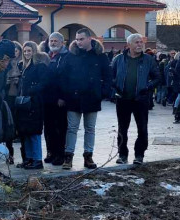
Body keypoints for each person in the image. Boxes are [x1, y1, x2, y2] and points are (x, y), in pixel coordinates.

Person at [58, 28, 111, 170]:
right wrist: (64, 95)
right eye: (77, 39)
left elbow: (107, 76)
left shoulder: (100, 56)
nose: (78, 42)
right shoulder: (70, 56)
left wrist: (102, 93)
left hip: (92, 98)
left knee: (90, 128)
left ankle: (88, 156)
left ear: (89, 39)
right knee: (72, 128)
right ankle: (68, 156)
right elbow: (63, 77)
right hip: (73, 98)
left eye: (81, 39)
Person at [111, 34, 161, 165]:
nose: (140, 44)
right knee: (122, 128)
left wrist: (147, 87)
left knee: (142, 128)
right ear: (128, 45)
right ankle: (122, 155)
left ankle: (139, 154)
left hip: (141, 99)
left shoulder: (148, 60)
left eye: (141, 42)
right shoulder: (118, 59)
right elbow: (110, 77)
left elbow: (157, 77)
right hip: (123, 99)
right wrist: (115, 90)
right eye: (136, 42)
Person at [14, 42, 50, 170]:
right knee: (26, 132)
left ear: (34, 51)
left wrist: (31, 90)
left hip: (34, 104)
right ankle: (28, 158)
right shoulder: (22, 66)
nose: (27, 53)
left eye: (29, 51)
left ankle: (37, 160)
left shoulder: (39, 66)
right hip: (24, 104)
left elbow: (45, 83)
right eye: (25, 51)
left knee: (34, 133)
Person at [40, 32, 69, 166]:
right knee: (48, 128)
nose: (53, 43)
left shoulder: (66, 57)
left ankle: (60, 154)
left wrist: (62, 96)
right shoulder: (47, 56)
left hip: (59, 99)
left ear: (62, 43)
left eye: (56, 41)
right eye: (51, 41)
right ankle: (50, 152)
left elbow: (66, 79)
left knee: (60, 128)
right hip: (47, 99)